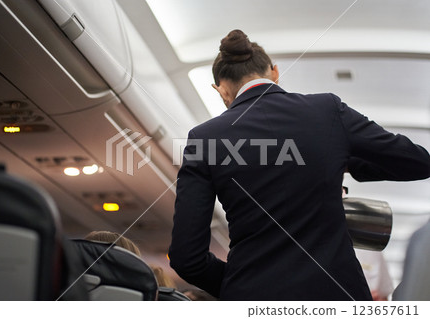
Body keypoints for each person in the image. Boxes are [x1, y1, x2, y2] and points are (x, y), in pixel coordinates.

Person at [168, 29, 430, 301]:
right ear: (275, 72)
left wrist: (241, 286)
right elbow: (418, 162)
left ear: (220, 89)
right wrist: (340, 158)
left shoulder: (205, 138)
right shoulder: (327, 110)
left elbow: (186, 257)